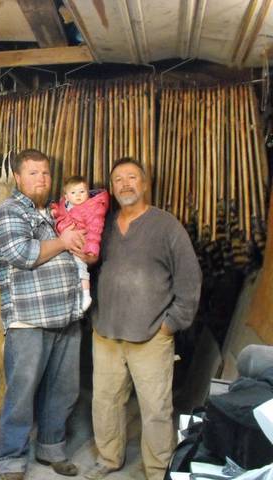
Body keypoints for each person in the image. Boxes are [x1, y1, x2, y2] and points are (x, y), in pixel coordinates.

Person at [85, 157, 202, 480]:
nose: (125, 184)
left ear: (145, 184)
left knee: (156, 410)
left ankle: (158, 470)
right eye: (118, 179)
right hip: (106, 333)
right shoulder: (104, 226)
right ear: (112, 188)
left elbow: (190, 278)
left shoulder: (166, 226)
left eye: (132, 177)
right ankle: (109, 458)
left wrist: (171, 324)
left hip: (151, 335)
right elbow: (88, 270)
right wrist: (94, 314)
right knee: (105, 402)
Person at [0, 149, 90, 480]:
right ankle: (11, 458)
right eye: (33, 173)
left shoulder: (54, 212)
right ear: (17, 177)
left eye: (45, 173)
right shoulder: (9, 212)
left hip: (66, 317)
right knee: (22, 392)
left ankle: (51, 449)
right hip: (29, 321)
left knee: (62, 390)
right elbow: (23, 253)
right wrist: (64, 242)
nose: (41, 179)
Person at [50, 175, 109, 312]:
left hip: (79, 244)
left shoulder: (93, 209)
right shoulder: (65, 205)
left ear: (88, 192)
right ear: (66, 196)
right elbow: (61, 212)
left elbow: (95, 231)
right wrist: (54, 211)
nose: (78, 196)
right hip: (64, 243)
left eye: (82, 192)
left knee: (80, 266)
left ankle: (86, 295)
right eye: (73, 192)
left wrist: (91, 251)